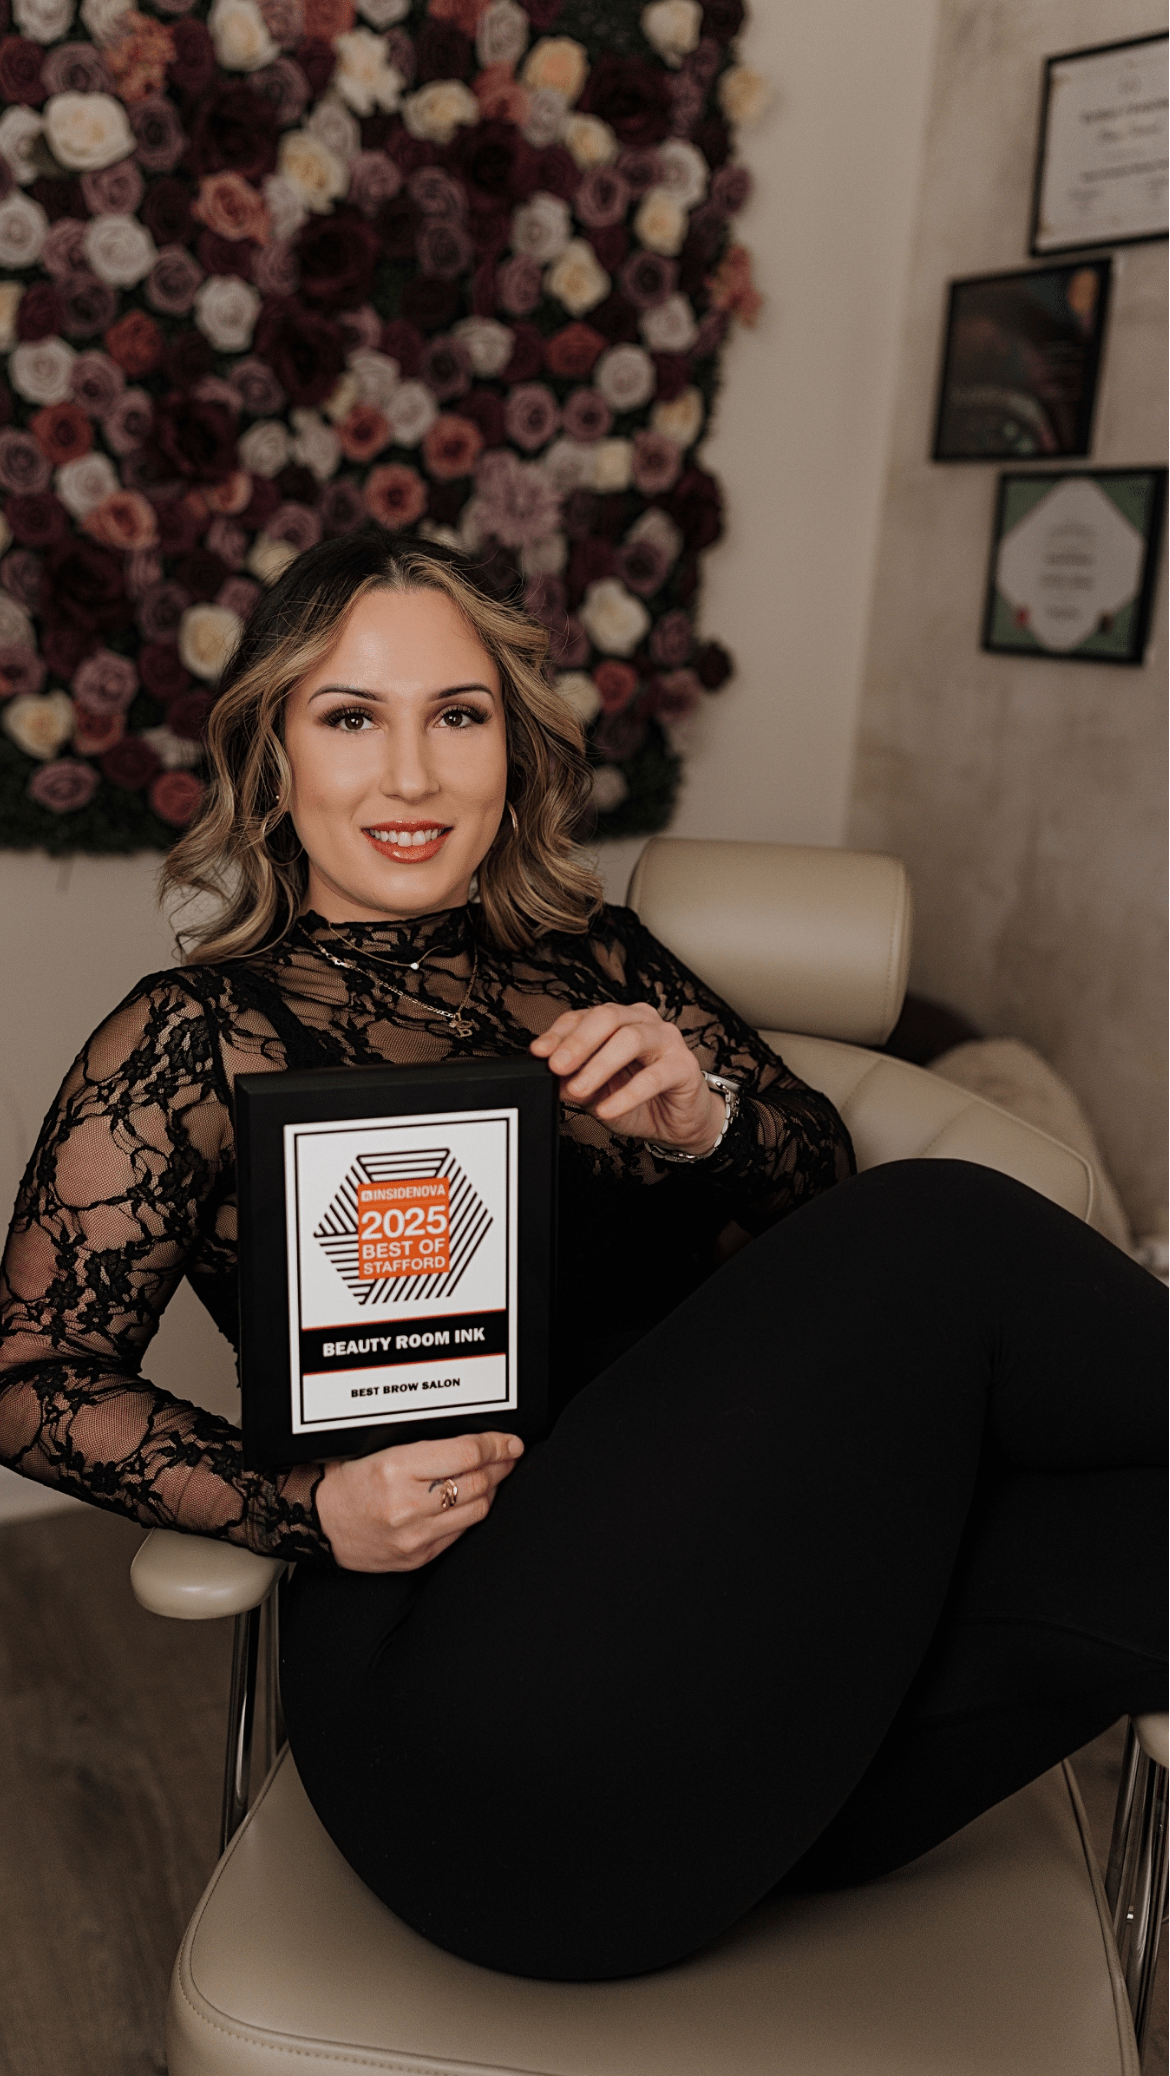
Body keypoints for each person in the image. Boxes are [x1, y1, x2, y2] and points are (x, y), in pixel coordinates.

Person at [0, 534, 1163, 1984]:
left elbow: (812, 1196)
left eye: (458, 715)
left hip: (751, 1746)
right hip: (487, 1735)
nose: (412, 775)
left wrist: (702, 1119)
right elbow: (29, 1376)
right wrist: (307, 1508)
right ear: (275, 759)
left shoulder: (599, 960)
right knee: (942, 1226)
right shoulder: (191, 1036)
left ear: (513, 747)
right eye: (352, 717)